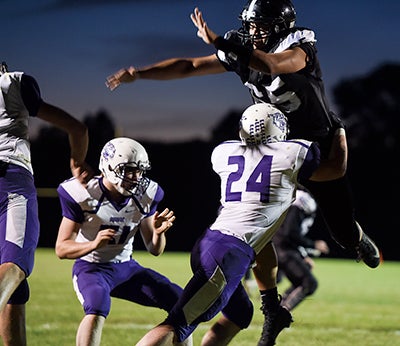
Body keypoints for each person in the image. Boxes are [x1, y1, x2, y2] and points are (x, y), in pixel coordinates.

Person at [105, 1, 380, 270]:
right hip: (271, 145)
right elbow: (191, 66)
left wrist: (219, 41)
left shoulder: (299, 48)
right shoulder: (241, 47)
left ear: (281, 28)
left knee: (342, 232)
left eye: (261, 26)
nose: (253, 32)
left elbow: (271, 65)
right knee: (253, 222)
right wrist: (140, 73)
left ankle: (357, 239)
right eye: (250, 25)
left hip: (315, 142)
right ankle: (270, 302)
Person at [134, 103, 321, 346]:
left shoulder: (225, 152)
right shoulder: (291, 154)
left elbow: (263, 246)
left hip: (211, 243)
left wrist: (271, 300)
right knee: (178, 323)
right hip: (228, 255)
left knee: (240, 313)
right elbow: (330, 166)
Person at [55, 137, 192, 346]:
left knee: (182, 303)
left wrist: (158, 233)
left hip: (127, 268)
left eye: (139, 170)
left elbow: (154, 250)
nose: (136, 177)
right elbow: (62, 248)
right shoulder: (83, 193)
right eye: (129, 170)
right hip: (92, 268)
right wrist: (93, 245)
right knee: (97, 304)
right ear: (108, 167)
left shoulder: (146, 194)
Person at [0, 62, 91, 346]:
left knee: (14, 286)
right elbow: (77, 128)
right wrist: (76, 161)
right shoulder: (13, 84)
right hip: (10, 181)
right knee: (15, 264)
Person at [274, 188, 329, 311]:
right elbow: (289, 232)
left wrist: (303, 255)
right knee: (309, 283)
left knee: (302, 278)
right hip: (282, 249)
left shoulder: (297, 197)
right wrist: (313, 245)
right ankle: (279, 315)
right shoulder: (302, 199)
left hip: (279, 247)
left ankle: (278, 310)